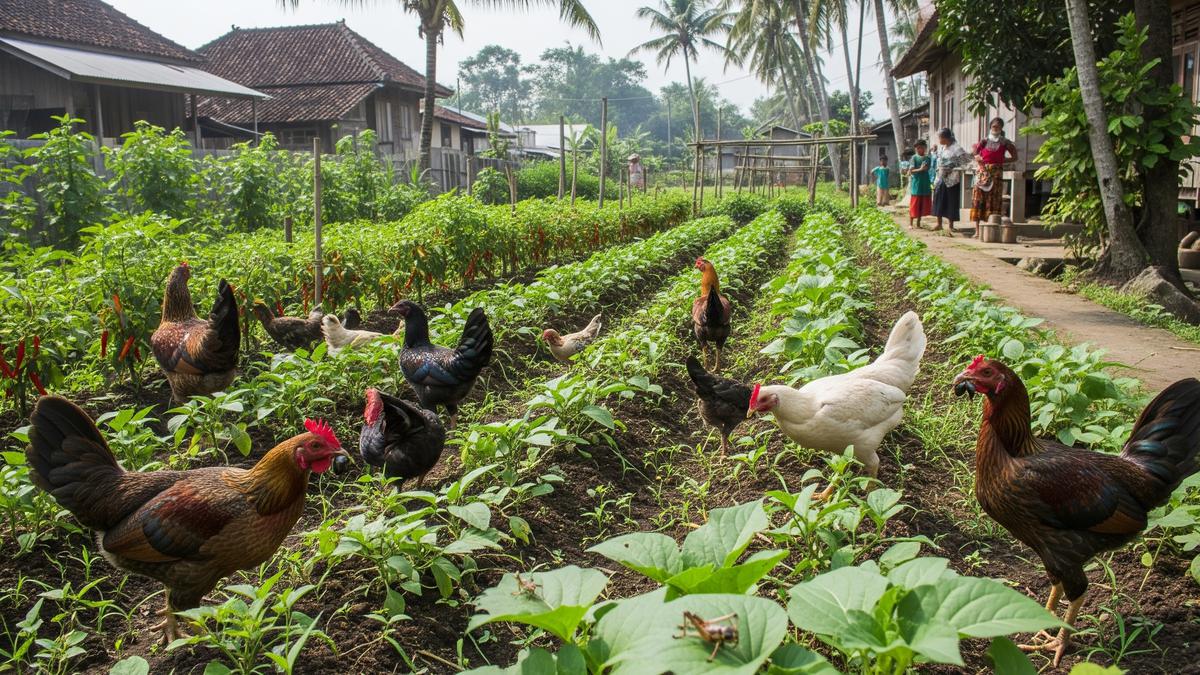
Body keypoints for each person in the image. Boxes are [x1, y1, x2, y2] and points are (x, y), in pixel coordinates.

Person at [969, 117, 1018, 236]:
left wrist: (1001, 160)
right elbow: (974, 152)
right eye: (994, 126)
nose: (996, 128)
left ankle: (991, 230)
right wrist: (978, 158)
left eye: (998, 127)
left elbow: (1015, 157)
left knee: (994, 199)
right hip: (983, 171)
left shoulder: (1005, 142)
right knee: (978, 199)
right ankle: (977, 230)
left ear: (1001, 128)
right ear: (990, 127)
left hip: (996, 173)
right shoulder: (984, 141)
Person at [932, 127, 970, 236]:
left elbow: (965, 161)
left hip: (952, 178)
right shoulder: (943, 148)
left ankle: (951, 225)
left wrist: (953, 166)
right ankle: (939, 223)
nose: (938, 140)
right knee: (939, 199)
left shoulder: (956, 148)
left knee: (951, 201)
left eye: (940, 137)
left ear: (945, 138)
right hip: (940, 177)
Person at [908, 141, 932, 228]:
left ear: (924, 148)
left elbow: (927, 168)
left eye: (920, 148)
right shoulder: (914, 158)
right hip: (916, 183)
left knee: (922, 203)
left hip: (925, 182)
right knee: (914, 203)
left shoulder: (928, 158)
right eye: (917, 148)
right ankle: (911, 223)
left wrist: (923, 169)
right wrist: (921, 169)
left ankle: (918, 222)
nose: (919, 150)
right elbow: (911, 170)